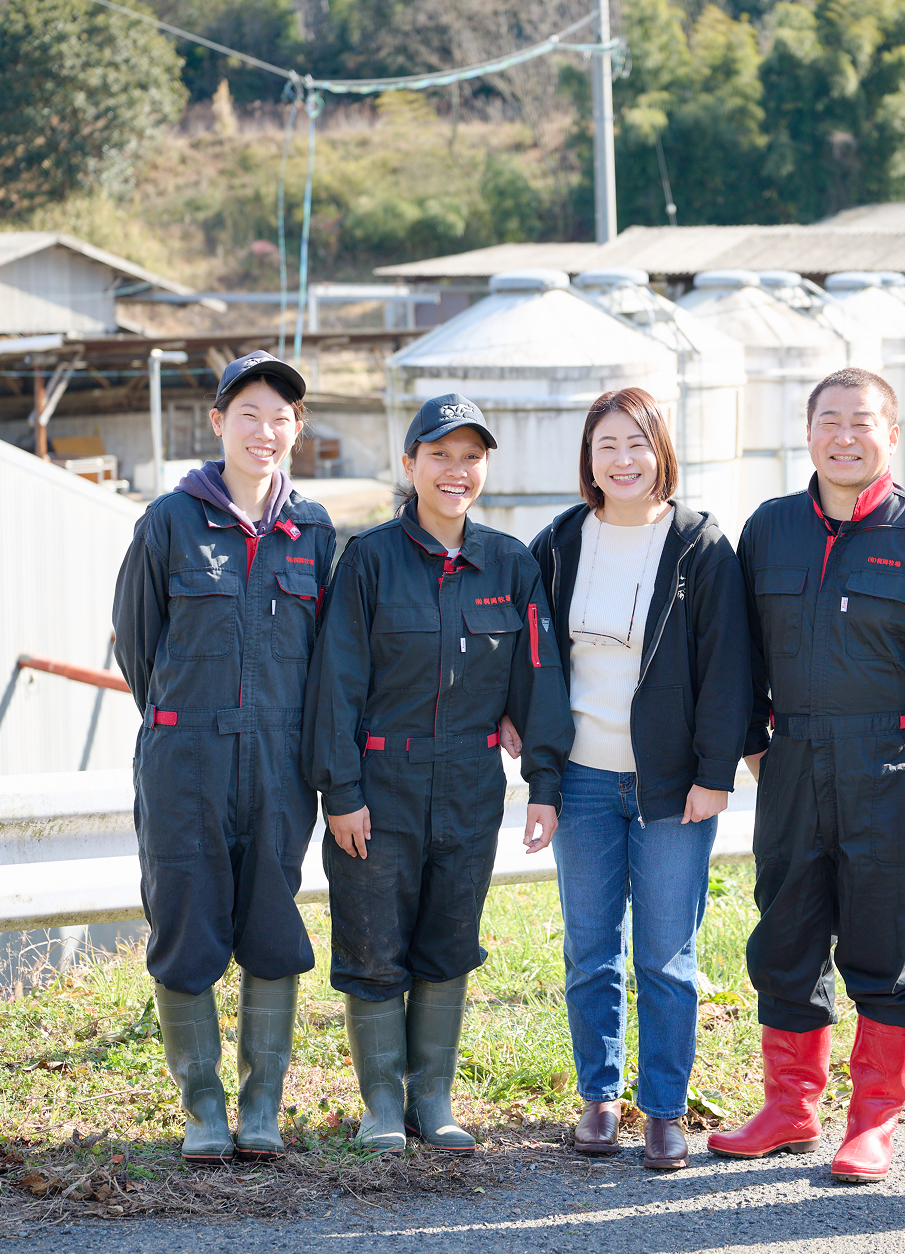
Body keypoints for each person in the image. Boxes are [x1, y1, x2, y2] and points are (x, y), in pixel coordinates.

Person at [709, 367, 905, 1183]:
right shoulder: (769, 530)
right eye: (829, 421)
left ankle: (872, 1121)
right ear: (807, 433)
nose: (845, 436)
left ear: (891, 435)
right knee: (786, 933)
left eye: (862, 422)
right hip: (794, 764)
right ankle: (789, 1108)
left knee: (886, 942)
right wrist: (756, 746)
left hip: (892, 767)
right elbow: (737, 656)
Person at [309, 393, 573, 1155]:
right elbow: (337, 682)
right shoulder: (369, 559)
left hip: (468, 784)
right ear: (410, 464)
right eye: (440, 455)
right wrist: (342, 792)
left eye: (471, 457)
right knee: (372, 942)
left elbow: (539, 683)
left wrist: (545, 786)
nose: (456, 471)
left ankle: (434, 1099)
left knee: (450, 939)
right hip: (380, 786)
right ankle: (381, 1107)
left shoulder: (511, 564)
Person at [500, 388, 751, 1171]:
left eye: (637, 444)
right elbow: (531, 656)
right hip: (580, 780)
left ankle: (665, 1111)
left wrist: (714, 774)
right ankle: (598, 1098)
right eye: (607, 445)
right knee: (589, 949)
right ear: (589, 457)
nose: (623, 460)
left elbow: (728, 671)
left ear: (661, 453)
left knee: (668, 956)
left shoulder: (699, 546)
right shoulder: (561, 541)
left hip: (673, 786)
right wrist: (534, 758)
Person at [112, 350, 334, 1165]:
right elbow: (137, 648)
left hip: (279, 762)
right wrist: (187, 720)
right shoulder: (169, 521)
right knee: (185, 924)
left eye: (281, 417)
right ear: (217, 424)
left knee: (274, 927)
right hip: (185, 758)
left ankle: (262, 1104)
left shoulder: (312, 530)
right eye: (249, 414)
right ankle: (202, 1105)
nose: (265, 431)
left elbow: (324, 658)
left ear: (297, 429)